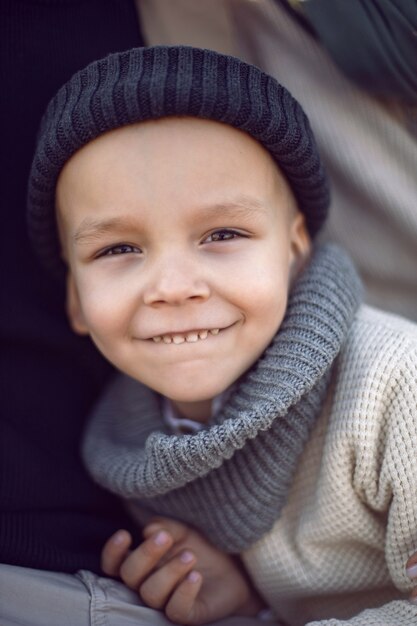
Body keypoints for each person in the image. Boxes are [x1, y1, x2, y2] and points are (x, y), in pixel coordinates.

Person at [26, 45, 417, 625]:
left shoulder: (394, 384)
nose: (174, 286)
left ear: (293, 249)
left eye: (222, 234)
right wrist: (249, 605)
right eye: (118, 249)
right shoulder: (128, 445)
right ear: (76, 301)